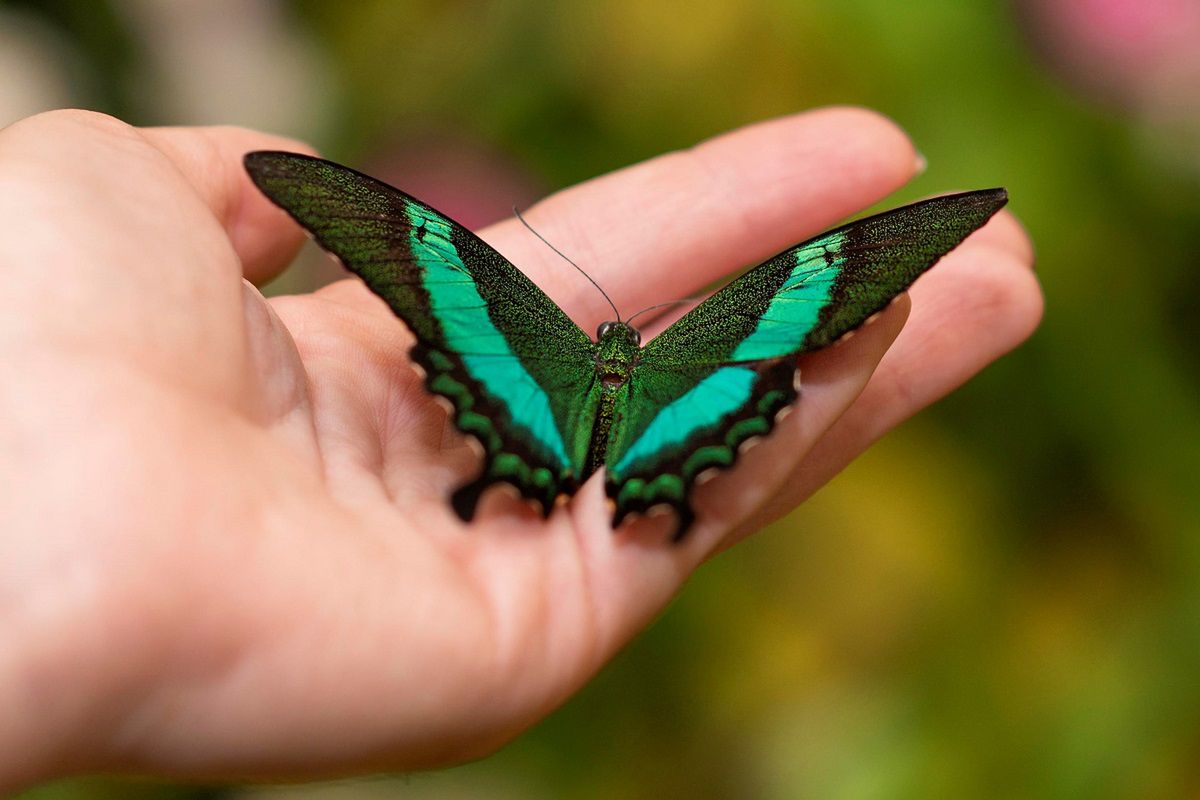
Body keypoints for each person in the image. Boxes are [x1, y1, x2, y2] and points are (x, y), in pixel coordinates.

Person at [0, 107, 1040, 791]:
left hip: (524, 401)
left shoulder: (518, 315)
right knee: (741, 382)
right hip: (691, 409)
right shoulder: (709, 330)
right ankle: (645, 468)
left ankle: (554, 454)